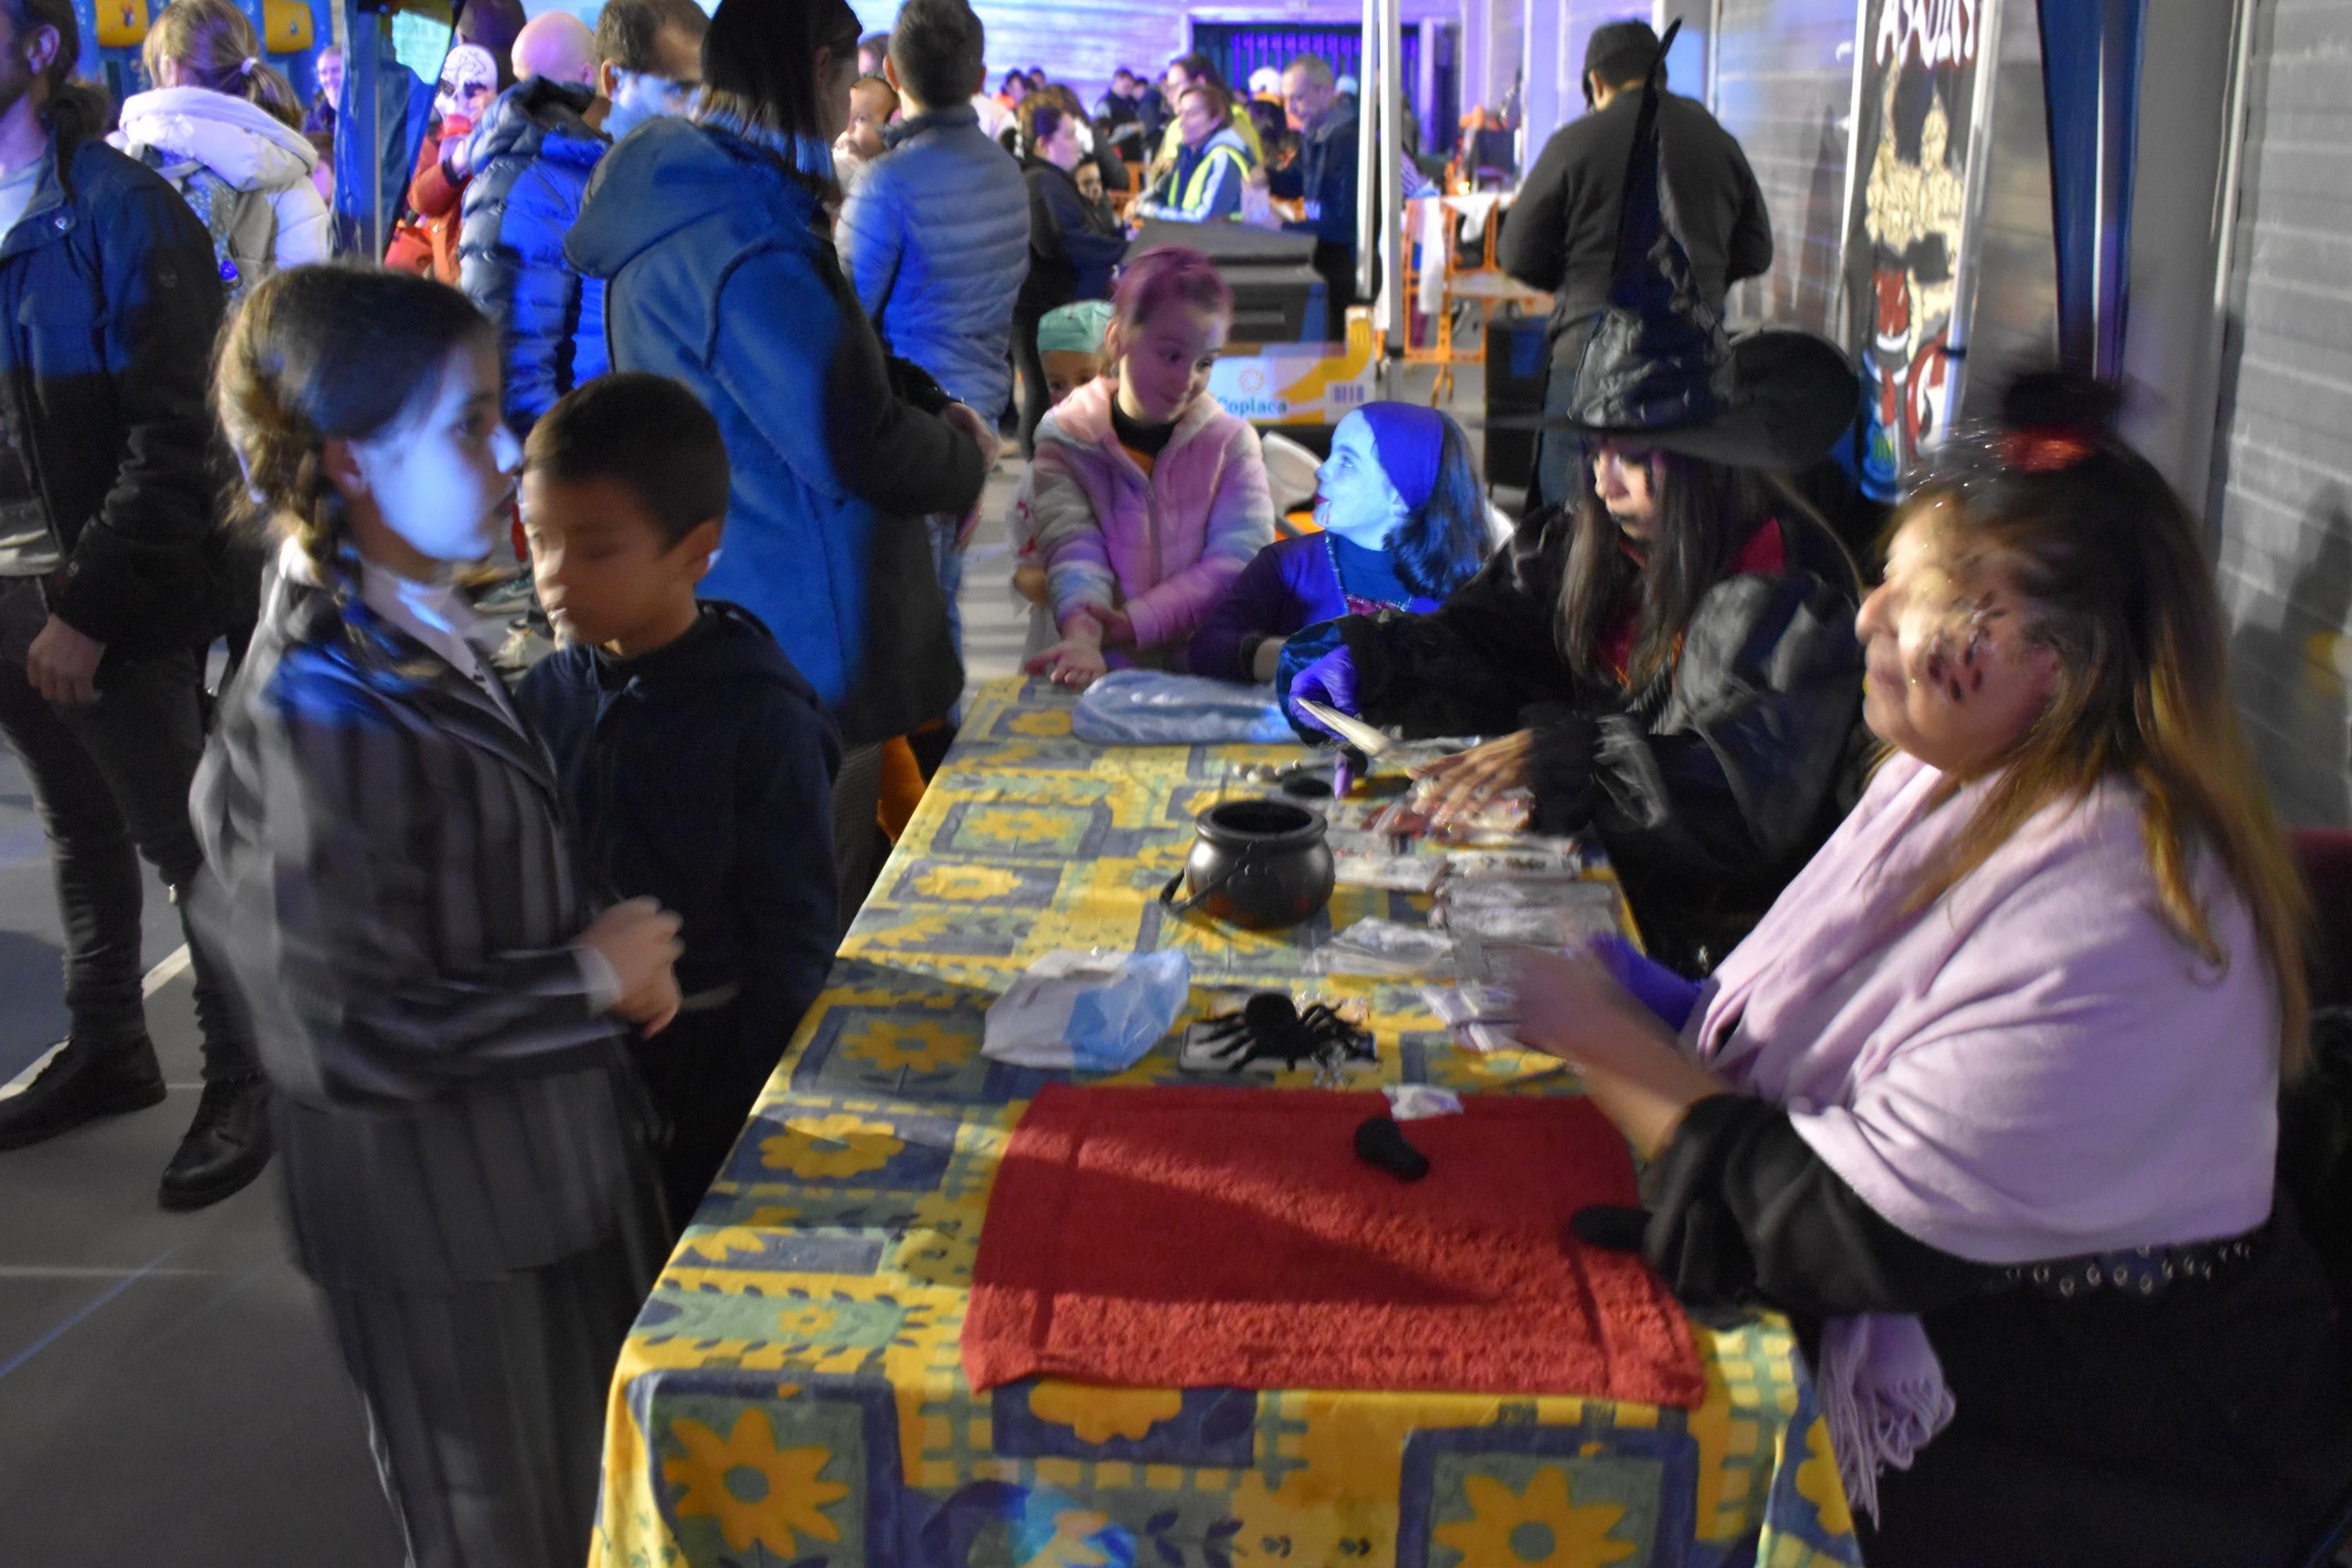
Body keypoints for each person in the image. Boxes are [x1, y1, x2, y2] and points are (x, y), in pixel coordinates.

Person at [1511, 373, 2352, 1563]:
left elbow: (1831, 1227)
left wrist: (1593, 1031)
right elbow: (1810, 1038)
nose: (1866, 617)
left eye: (1922, 595)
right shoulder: (1953, 781)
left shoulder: (2123, 907)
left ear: (2052, 660)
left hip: (2112, 1481)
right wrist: (1672, 1010)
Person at [194, 267, 678, 1568]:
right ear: (352, 461)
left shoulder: (415, 626)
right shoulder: (317, 707)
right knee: (502, 1534)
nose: (511, 448)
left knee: (590, 1511)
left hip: (537, 1175)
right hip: (444, 1229)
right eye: (466, 424)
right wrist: (583, 978)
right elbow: (340, 1030)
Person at [1282, 54, 1861, 971]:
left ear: (1710, 463)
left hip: (1705, 949)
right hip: (1576, 893)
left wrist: (1565, 760)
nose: (1601, 475)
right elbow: (1488, 638)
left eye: (1634, 451)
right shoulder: (1585, 543)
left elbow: (1738, 796)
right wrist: (1375, 659)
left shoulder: (1783, 591)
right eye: (1593, 446)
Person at [565, 0, 994, 920]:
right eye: (846, 81)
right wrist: (960, 460)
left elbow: (836, 364)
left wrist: (925, 401)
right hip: (802, 629)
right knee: (811, 915)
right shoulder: (744, 228)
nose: (850, 109)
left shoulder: (716, 194)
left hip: (754, 596)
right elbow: (853, 438)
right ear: (817, 66)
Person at [0, 0, 267, 1209]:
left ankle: (245, 1077)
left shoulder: (123, 213)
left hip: (117, 599)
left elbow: (178, 445)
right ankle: (109, 1044)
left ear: (44, 51)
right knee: (75, 823)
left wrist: (92, 606)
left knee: (187, 845)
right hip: (17, 591)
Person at [516, 374, 839, 1231]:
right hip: (575, 1068)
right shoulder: (540, 698)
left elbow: (793, 933)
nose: (554, 575)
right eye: (540, 539)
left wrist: (755, 1105)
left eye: (596, 548)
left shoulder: (760, 714)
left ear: (696, 549)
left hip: (712, 1075)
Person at [1504, 20, 1771, 508]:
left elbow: (1516, 250)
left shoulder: (1574, 142)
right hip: (1693, 374)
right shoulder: (1718, 141)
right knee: (1680, 530)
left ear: (1596, 83)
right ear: (1661, 76)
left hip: (1589, 365)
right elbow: (1757, 250)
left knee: (1573, 530)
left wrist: (1574, 285)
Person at [837, 0, 1028, 674]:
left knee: (902, 603)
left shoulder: (886, 183)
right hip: (978, 404)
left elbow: (843, 306)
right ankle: (937, 745)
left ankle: (916, 764)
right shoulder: (1008, 174)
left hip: (908, 415)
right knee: (940, 592)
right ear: (979, 73)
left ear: (890, 72)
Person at [1025, 248, 1274, 688]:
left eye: (1205, 362)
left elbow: (1236, 559)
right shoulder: (1066, 441)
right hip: (1105, 677)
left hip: (1207, 675)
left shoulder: (1231, 443)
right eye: (1172, 356)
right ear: (1118, 339)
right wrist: (1085, 634)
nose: (1187, 380)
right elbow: (1072, 547)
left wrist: (1139, 621)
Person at [459, 0, 706, 437]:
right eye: (679, 91)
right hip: (585, 470)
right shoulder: (531, 179)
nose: (695, 113)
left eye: (703, 94)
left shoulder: (642, 170)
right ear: (611, 79)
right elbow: (510, 380)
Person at [1190, 405, 1487, 684]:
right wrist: (1293, 658)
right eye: (1332, 454)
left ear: (1398, 496)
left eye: (1346, 461)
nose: (1321, 470)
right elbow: (1207, 648)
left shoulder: (1467, 591)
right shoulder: (1287, 566)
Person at [111, 0, 330, 295]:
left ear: (169, 67)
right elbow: (304, 301)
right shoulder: (283, 170)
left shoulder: (119, 162)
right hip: (247, 337)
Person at [1013, 95, 1125, 456]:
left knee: (1048, 393)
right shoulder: (1042, 183)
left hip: (1046, 304)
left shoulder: (1050, 181)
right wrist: (1120, 251)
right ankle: (1040, 474)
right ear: (1046, 143)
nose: (1078, 144)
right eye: (1070, 136)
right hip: (1042, 307)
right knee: (1046, 394)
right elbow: (1060, 242)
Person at [1006, 299, 1112, 652]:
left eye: (1086, 378)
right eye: (1056, 384)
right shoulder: (1044, 469)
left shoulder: (1149, 463)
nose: (1072, 396)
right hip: (1059, 642)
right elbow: (1027, 574)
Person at [385, 42, 497, 281]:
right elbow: (420, 200)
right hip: (448, 269)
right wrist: (454, 164)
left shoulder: (504, 132)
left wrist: (496, 123)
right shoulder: (433, 139)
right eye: (448, 88)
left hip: (486, 269)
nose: (458, 101)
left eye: (472, 90)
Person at [1272, 53, 1358, 343]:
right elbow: (1296, 181)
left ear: (1326, 92)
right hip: (1321, 254)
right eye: (1286, 99)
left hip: (1342, 266)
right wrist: (1262, 175)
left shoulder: (1347, 140)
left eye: (1297, 98)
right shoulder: (1316, 133)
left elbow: (1344, 221)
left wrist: (1284, 228)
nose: (1291, 108)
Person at [1134, 82, 1250, 224]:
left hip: (1215, 244)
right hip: (1183, 239)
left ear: (1215, 120)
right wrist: (1140, 204)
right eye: (1181, 113)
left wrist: (1153, 212)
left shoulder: (1224, 159)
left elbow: (1207, 220)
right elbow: (1163, 194)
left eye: (1191, 114)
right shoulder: (1186, 155)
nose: (1181, 122)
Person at [1151, 53, 1261, 172]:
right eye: (1168, 89)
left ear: (1200, 82)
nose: (1169, 97)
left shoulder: (1232, 122)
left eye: (1175, 87)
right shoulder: (1175, 126)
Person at [832, 72, 896, 191]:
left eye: (861, 119)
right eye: (844, 115)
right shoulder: (826, 160)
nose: (847, 128)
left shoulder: (888, 179)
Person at [303, 44, 342, 138]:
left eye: (335, 70)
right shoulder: (312, 120)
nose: (329, 78)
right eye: (324, 73)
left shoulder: (367, 112)